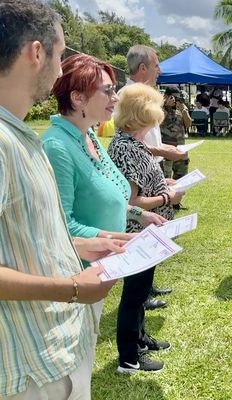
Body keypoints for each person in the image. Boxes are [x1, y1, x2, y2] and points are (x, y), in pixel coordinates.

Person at [0, 1, 128, 398]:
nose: (60, 70)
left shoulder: (20, 136)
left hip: (52, 351)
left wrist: (79, 244)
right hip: (29, 370)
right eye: (60, 54)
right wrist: (71, 287)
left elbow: (22, 234)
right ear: (36, 52)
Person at [42, 54, 167, 317]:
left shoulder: (87, 135)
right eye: (107, 90)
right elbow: (63, 226)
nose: (116, 97)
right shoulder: (58, 147)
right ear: (78, 98)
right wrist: (119, 239)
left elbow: (114, 193)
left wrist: (139, 215)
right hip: (78, 275)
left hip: (104, 268)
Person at [108, 83, 185, 373]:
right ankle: (129, 356)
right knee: (134, 295)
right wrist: (168, 197)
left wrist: (164, 184)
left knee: (139, 294)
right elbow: (132, 200)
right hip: (139, 231)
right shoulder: (129, 149)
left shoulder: (131, 143)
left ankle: (140, 338)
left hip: (149, 231)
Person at [125, 44, 177, 306]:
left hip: (149, 165)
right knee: (141, 230)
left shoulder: (147, 93)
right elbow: (128, 139)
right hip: (138, 167)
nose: (160, 70)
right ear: (143, 67)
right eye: (156, 65)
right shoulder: (128, 96)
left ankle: (146, 286)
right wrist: (164, 150)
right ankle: (140, 293)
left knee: (152, 234)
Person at [161, 87, 191, 180]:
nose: (175, 100)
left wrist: (183, 111)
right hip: (166, 149)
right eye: (173, 97)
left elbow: (188, 124)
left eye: (178, 98)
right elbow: (158, 121)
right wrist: (166, 106)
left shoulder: (181, 108)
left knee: (181, 178)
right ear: (166, 96)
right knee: (166, 178)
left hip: (180, 148)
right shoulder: (159, 108)